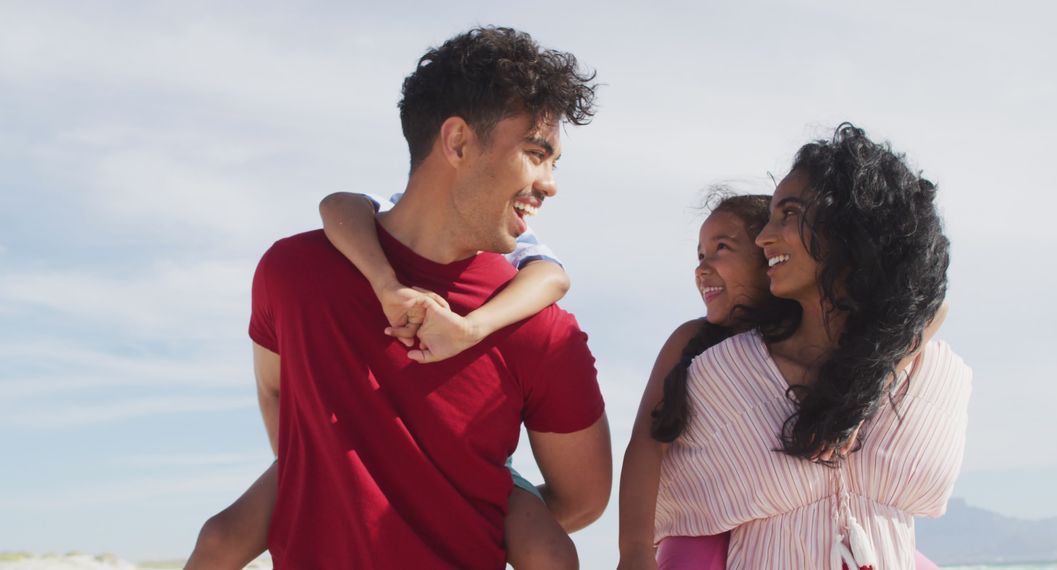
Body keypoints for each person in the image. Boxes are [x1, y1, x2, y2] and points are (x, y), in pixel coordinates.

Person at [186, 26, 611, 569]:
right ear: (457, 142)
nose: (550, 184)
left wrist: (464, 503)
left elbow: (582, 501)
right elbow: (277, 395)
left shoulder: (542, 328)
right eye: (535, 154)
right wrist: (330, 479)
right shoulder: (293, 273)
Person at [620, 124, 969, 569]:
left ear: (852, 225)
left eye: (788, 214)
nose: (766, 238)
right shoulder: (714, 366)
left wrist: (872, 381)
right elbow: (648, 447)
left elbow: (929, 307)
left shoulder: (929, 368)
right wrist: (632, 555)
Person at [185, 188, 582, 569]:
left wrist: (472, 327)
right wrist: (386, 283)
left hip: (480, 464)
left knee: (550, 555)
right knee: (219, 539)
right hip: (328, 443)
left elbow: (553, 277)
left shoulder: (513, 235)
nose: (547, 184)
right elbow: (336, 204)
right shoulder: (387, 216)